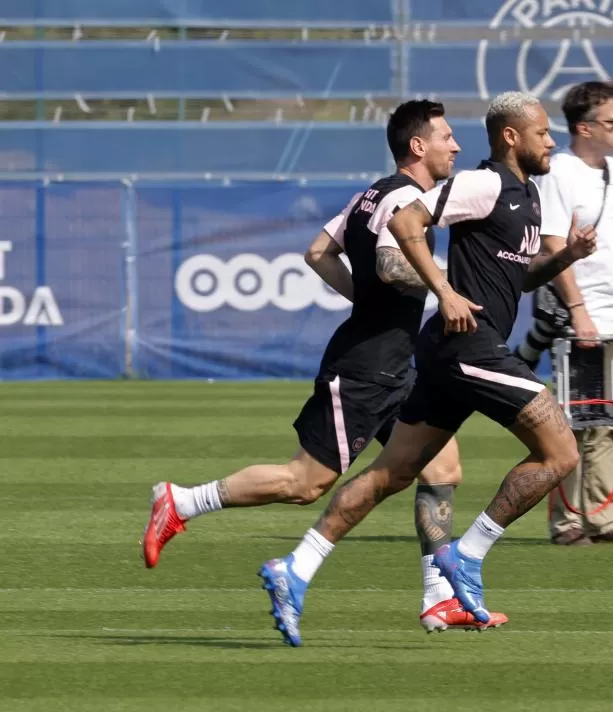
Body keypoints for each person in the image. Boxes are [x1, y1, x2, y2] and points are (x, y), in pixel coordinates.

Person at [141, 99, 508, 631]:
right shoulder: (405, 198)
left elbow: (318, 252)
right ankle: (180, 501)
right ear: (418, 146)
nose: (456, 145)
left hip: (397, 364)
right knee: (304, 483)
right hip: (364, 367)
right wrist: (443, 285)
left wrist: (368, 297)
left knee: (442, 468)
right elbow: (387, 260)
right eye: (447, 136)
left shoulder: (372, 194)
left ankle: (438, 598)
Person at [257, 91, 597, 647]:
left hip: (449, 353)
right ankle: (466, 555)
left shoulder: (528, 195)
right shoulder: (483, 183)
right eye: (542, 133)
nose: (552, 141)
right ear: (511, 136)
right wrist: (445, 290)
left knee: (395, 474)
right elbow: (409, 220)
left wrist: (564, 258)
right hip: (469, 347)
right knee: (560, 452)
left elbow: (520, 278)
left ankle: (295, 567)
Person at [513, 80, 613, 546]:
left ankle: (604, 518)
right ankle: (569, 523)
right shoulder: (560, 173)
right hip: (581, 317)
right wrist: (578, 308)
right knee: (574, 422)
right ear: (583, 127)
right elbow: (553, 244)